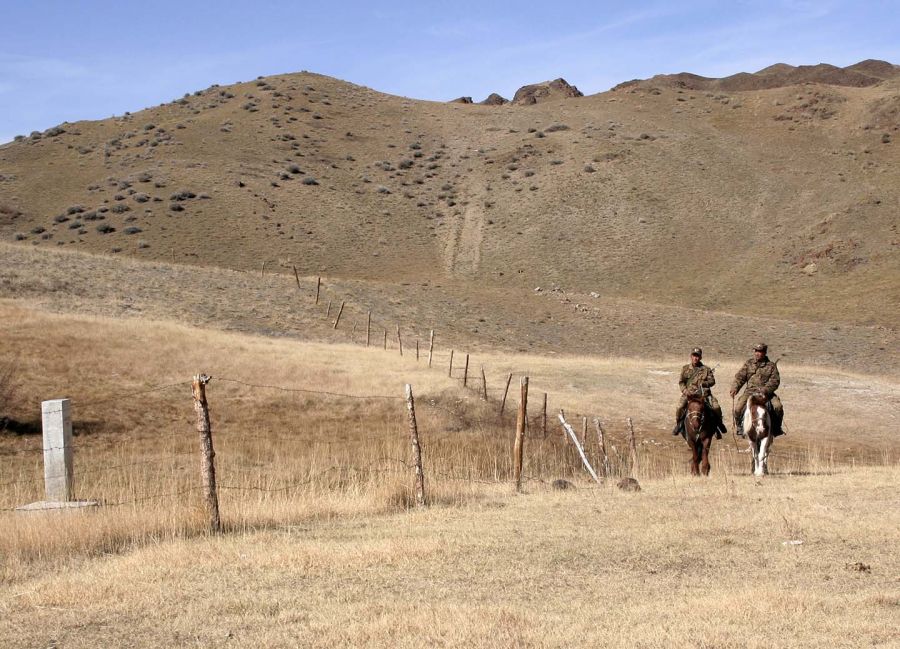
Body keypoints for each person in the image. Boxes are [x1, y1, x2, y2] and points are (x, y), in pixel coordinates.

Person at [730, 343, 784, 437]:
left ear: (765, 353)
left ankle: (777, 427)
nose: (758, 353)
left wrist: (765, 390)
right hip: (750, 392)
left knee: (778, 407)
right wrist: (735, 388)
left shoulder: (771, 366)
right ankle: (740, 427)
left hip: (767, 393)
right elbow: (740, 377)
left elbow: (775, 381)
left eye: (760, 351)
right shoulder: (749, 363)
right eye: (756, 351)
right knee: (738, 408)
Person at [672, 347, 726, 438]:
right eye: (694, 356)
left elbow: (712, 381)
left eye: (697, 356)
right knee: (680, 407)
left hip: (704, 395)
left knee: (716, 407)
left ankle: (719, 425)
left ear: (700, 357)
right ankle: (679, 425)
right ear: (691, 356)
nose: (695, 358)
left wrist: (704, 383)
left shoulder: (706, 369)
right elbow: (681, 382)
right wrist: (685, 391)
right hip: (690, 395)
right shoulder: (685, 369)